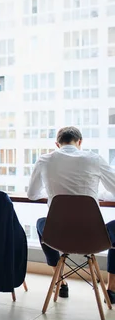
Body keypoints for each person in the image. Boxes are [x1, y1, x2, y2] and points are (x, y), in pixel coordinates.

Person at [27, 126, 115, 303]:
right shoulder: (94, 159)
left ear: (57, 144)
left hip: (58, 236)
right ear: (80, 142)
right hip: (93, 238)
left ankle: (61, 281)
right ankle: (111, 290)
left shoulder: (45, 160)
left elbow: (32, 195)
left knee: (41, 222)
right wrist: (97, 195)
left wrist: (53, 193)